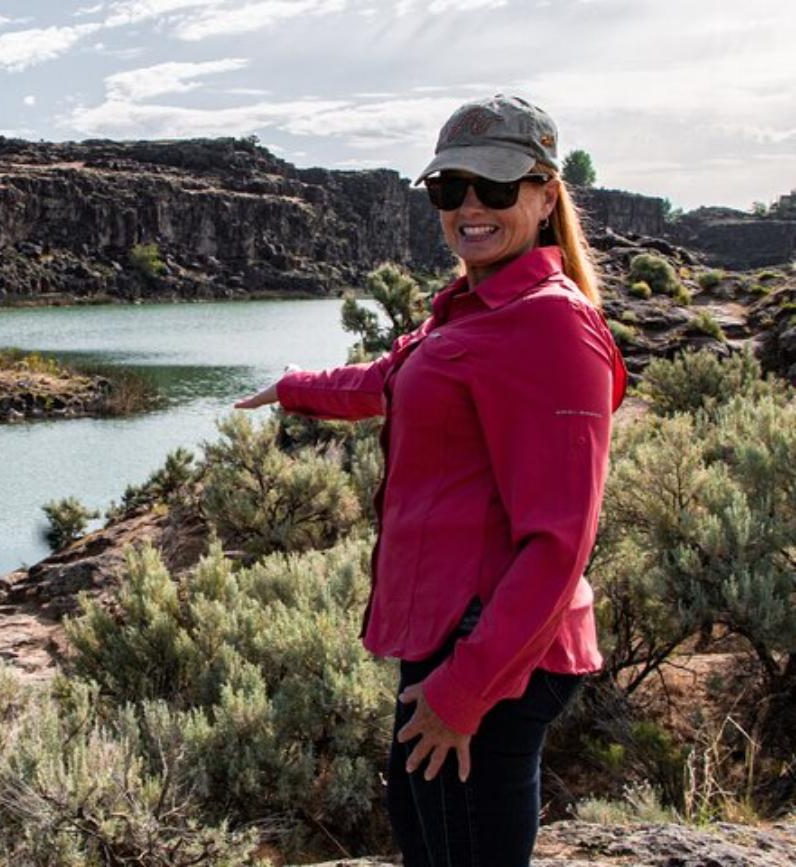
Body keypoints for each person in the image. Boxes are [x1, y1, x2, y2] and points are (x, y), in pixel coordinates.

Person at [234, 94, 627, 866]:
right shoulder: (472, 308)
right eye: (450, 189)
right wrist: (291, 386)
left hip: (491, 652)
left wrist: (464, 692)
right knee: (429, 842)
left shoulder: (549, 324)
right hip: (454, 636)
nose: (469, 206)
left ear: (547, 195)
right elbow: (390, 379)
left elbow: (560, 542)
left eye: (495, 187)